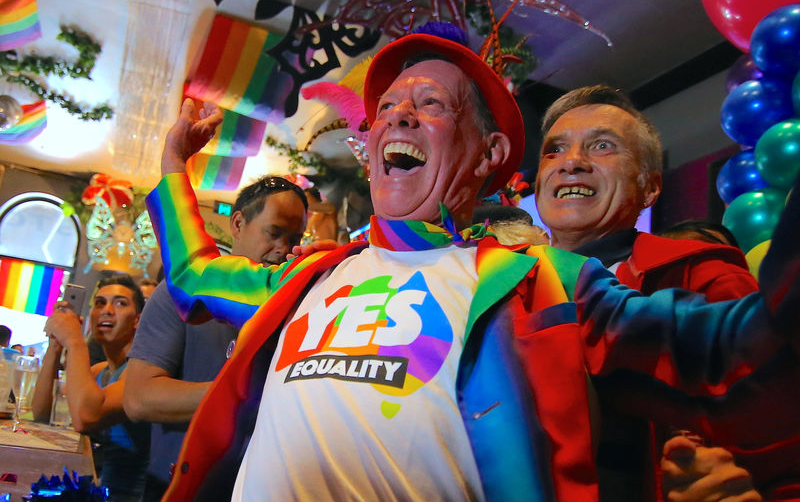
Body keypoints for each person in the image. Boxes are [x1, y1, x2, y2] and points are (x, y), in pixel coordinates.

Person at [146, 27, 800, 502]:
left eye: (430, 103)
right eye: (388, 108)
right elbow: (195, 274)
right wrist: (177, 165)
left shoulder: (538, 285)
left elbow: (733, 351)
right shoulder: (308, 274)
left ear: (488, 155)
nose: (399, 112)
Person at [534, 85, 788, 500]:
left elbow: (777, 423)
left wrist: (736, 481)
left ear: (650, 188)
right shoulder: (495, 283)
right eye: (554, 150)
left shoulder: (700, 277)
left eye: (601, 146)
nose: (572, 163)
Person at [123, 175, 308, 501]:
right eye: (274, 232)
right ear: (238, 223)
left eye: (295, 238)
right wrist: (244, 395)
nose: (284, 249)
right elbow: (139, 397)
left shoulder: (294, 306)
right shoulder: (181, 296)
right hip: (177, 487)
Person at [31, 275, 149, 502]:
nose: (106, 310)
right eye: (99, 303)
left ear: (137, 320)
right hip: (97, 489)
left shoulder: (139, 371)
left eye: (120, 303)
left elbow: (86, 416)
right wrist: (55, 346)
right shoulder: (98, 371)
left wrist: (75, 340)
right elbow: (41, 414)